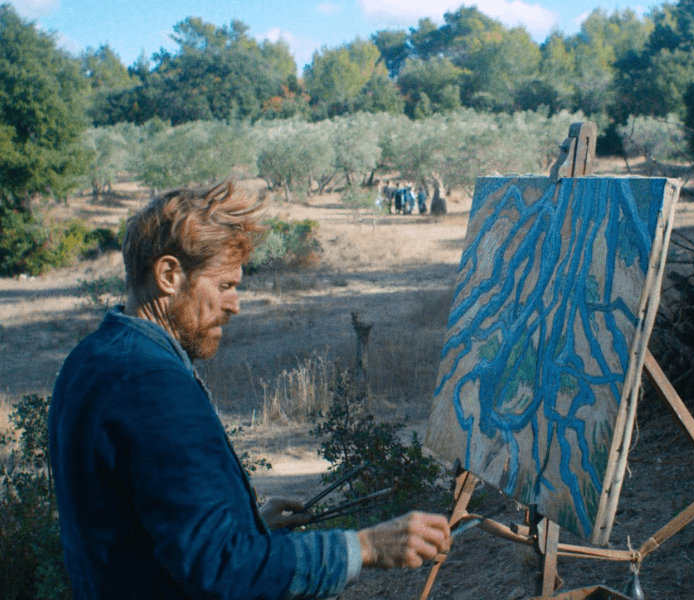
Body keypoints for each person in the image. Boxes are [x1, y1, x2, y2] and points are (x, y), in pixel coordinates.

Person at [48, 181, 450, 600]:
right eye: (224, 286)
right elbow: (225, 570)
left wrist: (245, 522)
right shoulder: (154, 388)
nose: (235, 304)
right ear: (169, 276)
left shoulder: (90, 359)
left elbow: (131, 524)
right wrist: (364, 547)